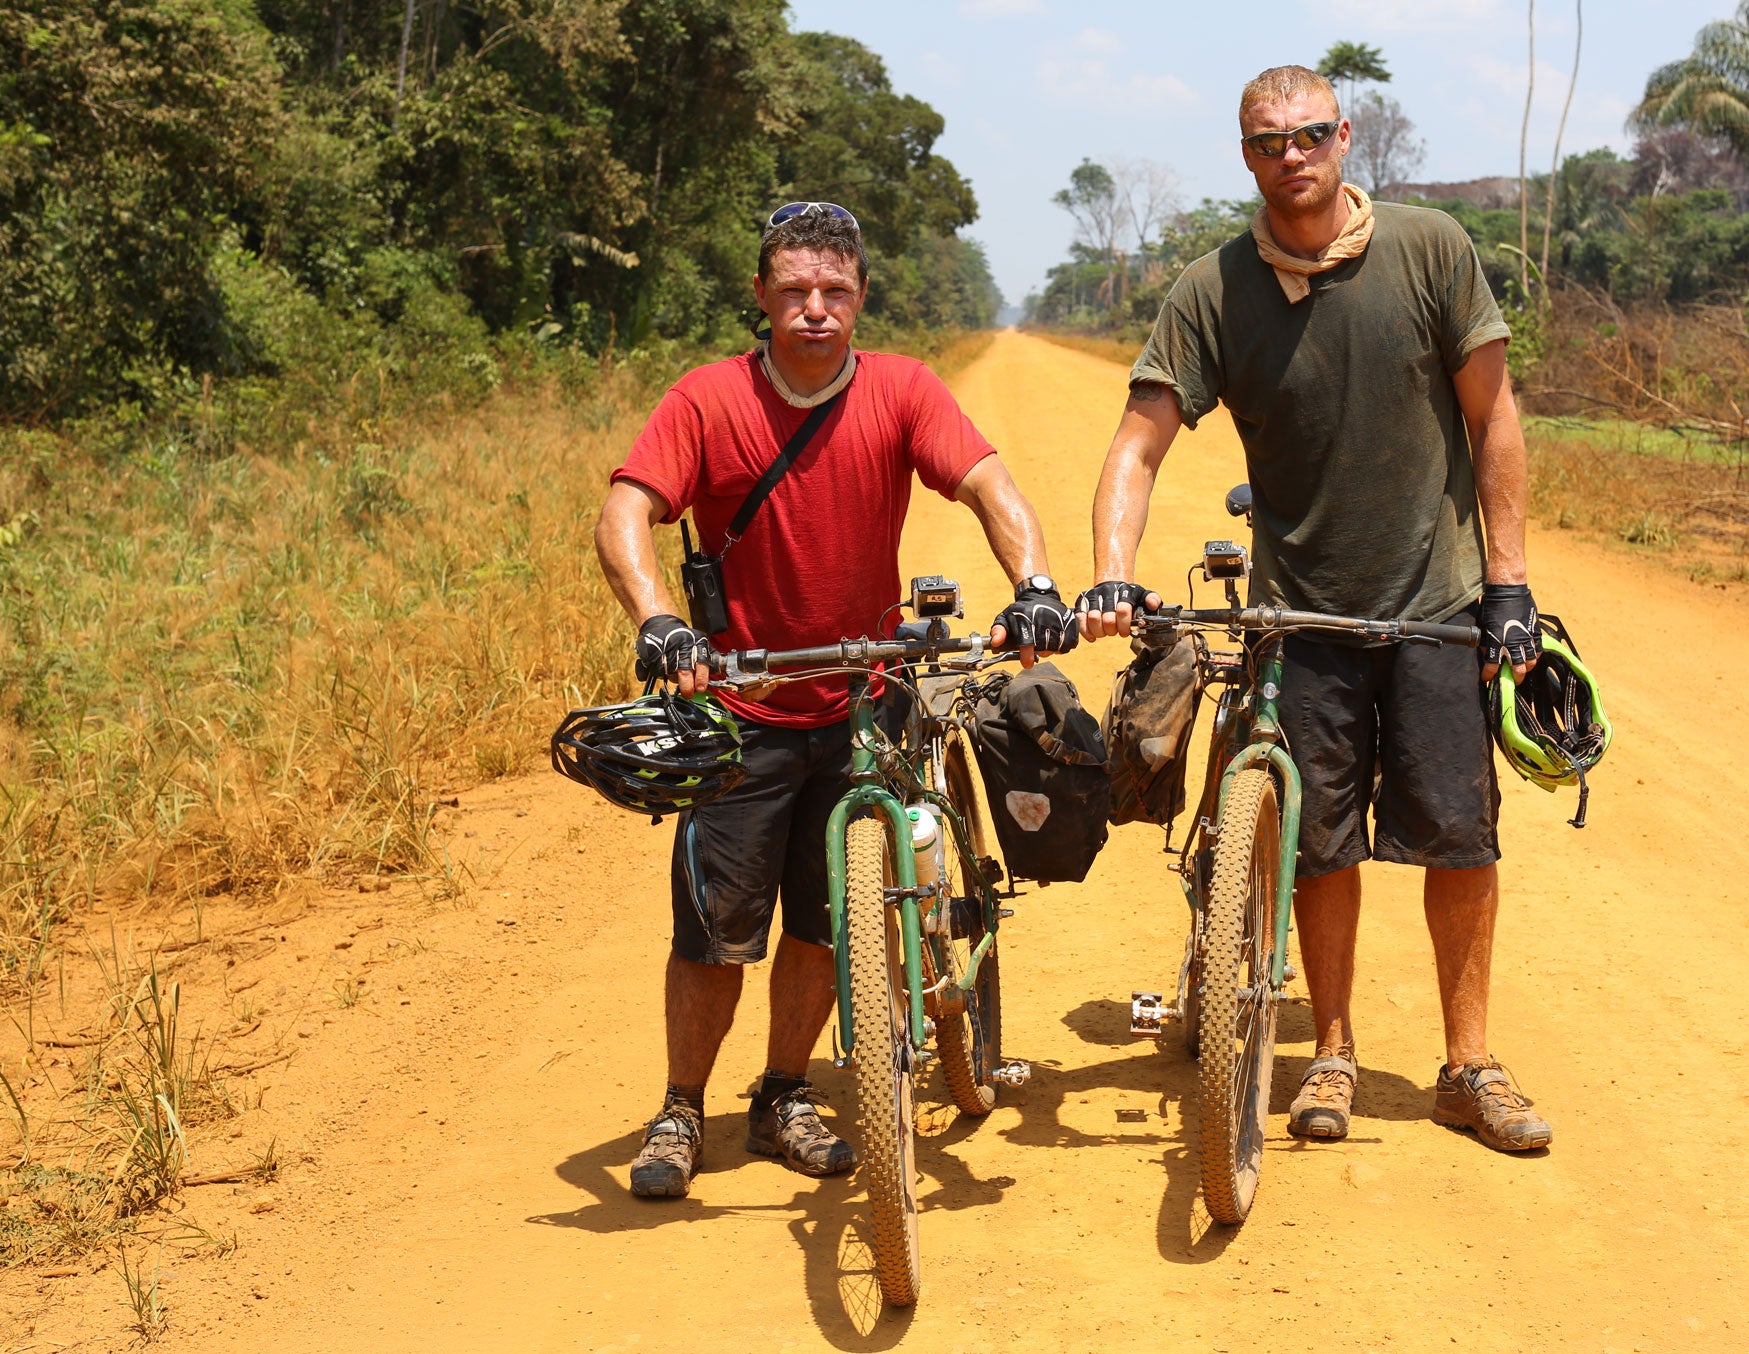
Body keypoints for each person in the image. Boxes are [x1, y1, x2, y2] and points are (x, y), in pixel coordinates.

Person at [1077, 67, 1553, 1152]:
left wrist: (1510, 586)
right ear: (1243, 157)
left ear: (1344, 138)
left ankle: (1467, 1068)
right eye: (1264, 143)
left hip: (1437, 608)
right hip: (1300, 621)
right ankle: (1328, 1049)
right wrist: (1109, 571)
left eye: (1306, 136)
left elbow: (1492, 420)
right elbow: (1138, 440)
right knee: (1319, 844)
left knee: (1459, 839)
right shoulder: (1212, 289)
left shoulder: (1430, 249)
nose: (1289, 157)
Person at [594, 203, 1077, 1198]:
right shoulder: (706, 400)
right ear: (762, 296)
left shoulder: (901, 390)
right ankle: (683, 1106)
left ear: (860, 299)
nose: (815, 310)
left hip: (861, 702)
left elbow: (988, 485)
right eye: (795, 292)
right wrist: (657, 621)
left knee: (822, 923)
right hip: (740, 709)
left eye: (835, 292)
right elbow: (628, 511)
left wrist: (1032, 587)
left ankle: (780, 1096)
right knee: (714, 927)